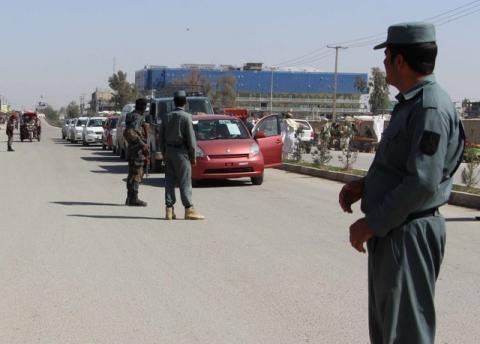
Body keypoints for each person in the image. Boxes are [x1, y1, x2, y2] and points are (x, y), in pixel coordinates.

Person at [339, 22, 465, 344]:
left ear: (399, 61)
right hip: (396, 230)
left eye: (386, 57)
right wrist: (366, 185)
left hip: (407, 232)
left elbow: (422, 183)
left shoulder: (429, 108)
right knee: (388, 331)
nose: (383, 65)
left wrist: (371, 224)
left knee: (406, 334)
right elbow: (405, 168)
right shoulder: (412, 103)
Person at [159, 90, 204, 220]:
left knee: (169, 181)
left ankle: (169, 209)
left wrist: (164, 153)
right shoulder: (186, 117)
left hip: (168, 152)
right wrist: (193, 155)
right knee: (185, 182)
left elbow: (160, 138)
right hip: (182, 153)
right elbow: (191, 139)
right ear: (185, 102)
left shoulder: (166, 117)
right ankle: (189, 209)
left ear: (174, 102)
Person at [124, 98, 149, 206]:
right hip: (138, 151)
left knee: (132, 174)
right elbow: (131, 132)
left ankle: (130, 198)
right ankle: (134, 198)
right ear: (142, 107)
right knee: (137, 174)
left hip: (133, 150)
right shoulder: (137, 117)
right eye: (145, 106)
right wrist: (142, 145)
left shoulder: (131, 116)